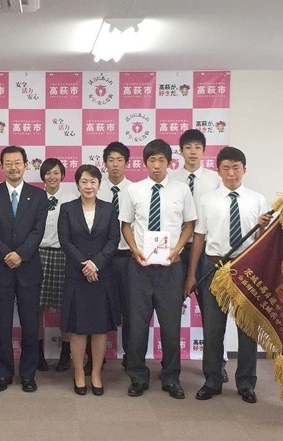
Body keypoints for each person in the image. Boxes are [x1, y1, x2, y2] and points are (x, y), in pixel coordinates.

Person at [184, 146, 272, 404]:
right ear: (219, 170)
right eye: (226, 168)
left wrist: (263, 227)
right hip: (214, 267)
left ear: (245, 169)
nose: (231, 173)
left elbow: (263, 241)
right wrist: (191, 274)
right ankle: (212, 380)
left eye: (236, 168)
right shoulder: (207, 200)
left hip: (246, 269)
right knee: (213, 328)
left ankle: (246, 383)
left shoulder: (257, 200)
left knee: (247, 329)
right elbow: (199, 237)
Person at [120, 139, 197, 399]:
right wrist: (134, 249)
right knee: (137, 326)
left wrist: (178, 250)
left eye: (161, 160)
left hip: (170, 268)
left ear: (169, 163)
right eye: (151, 160)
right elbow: (126, 224)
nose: (156, 165)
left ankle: (171, 377)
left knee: (170, 326)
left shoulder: (181, 190)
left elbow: (189, 224)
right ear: (145, 163)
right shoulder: (134, 190)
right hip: (140, 268)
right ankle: (137, 376)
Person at [0, 145, 49, 393]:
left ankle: (28, 374)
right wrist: (7, 254)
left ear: (26, 165)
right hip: (0, 267)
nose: (13, 167)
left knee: (30, 324)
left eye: (17, 162)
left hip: (28, 268)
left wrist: (20, 254)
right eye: (8, 163)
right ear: (1, 167)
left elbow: (37, 231)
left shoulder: (38, 196)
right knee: (2, 324)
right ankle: (3, 373)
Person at [170, 129, 227, 382]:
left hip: (208, 251)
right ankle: (171, 367)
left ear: (204, 151)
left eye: (197, 147)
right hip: (177, 249)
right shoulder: (172, 179)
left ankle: (218, 363)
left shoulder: (215, 180)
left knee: (212, 312)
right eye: (188, 147)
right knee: (171, 308)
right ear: (180, 151)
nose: (193, 152)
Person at [58, 164, 121, 396]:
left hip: (101, 276)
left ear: (99, 184)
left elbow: (113, 240)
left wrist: (95, 264)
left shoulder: (109, 208)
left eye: (93, 181)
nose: (88, 186)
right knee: (78, 330)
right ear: (77, 184)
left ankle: (95, 374)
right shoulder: (67, 209)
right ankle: (78, 373)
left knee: (99, 329)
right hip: (77, 275)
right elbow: (65, 241)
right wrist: (84, 264)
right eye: (84, 181)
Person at [96, 141, 134, 371]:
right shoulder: (95, 189)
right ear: (104, 163)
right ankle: (95, 357)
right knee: (98, 305)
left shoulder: (136, 190)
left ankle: (131, 356)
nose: (115, 164)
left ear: (127, 163)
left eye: (120, 160)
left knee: (130, 308)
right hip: (101, 258)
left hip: (128, 256)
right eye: (111, 160)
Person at [37, 158, 76, 372]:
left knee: (65, 306)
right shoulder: (34, 198)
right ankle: (38, 353)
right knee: (36, 306)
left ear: (62, 175)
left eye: (56, 173)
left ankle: (65, 353)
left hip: (64, 255)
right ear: (42, 176)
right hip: (38, 254)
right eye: (48, 173)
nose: (52, 177)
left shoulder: (71, 199)